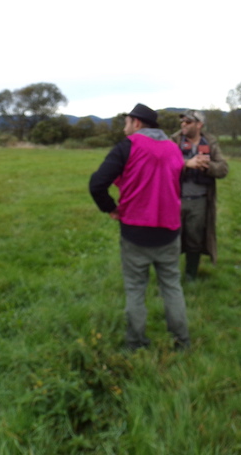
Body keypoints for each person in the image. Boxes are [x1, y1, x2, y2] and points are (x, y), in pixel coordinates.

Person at [89, 104, 190, 351]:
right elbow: (179, 184)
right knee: (172, 286)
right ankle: (182, 340)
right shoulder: (174, 149)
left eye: (126, 122)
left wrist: (110, 208)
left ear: (136, 123)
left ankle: (135, 343)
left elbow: (97, 184)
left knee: (135, 288)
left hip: (134, 230)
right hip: (169, 230)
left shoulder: (127, 147)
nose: (125, 127)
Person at [171, 110, 229, 281]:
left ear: (199, 125)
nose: (183, 124)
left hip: (200, 201)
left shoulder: (210, 143)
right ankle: (170, 278)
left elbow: (223, 169)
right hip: (175, 200)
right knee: (171, 240)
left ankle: (191, 275)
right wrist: (186, 164)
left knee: (195, 239)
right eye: (182, 121)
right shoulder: (174, 141)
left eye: (188, 122)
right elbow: (163, 165)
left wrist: (207, 166)